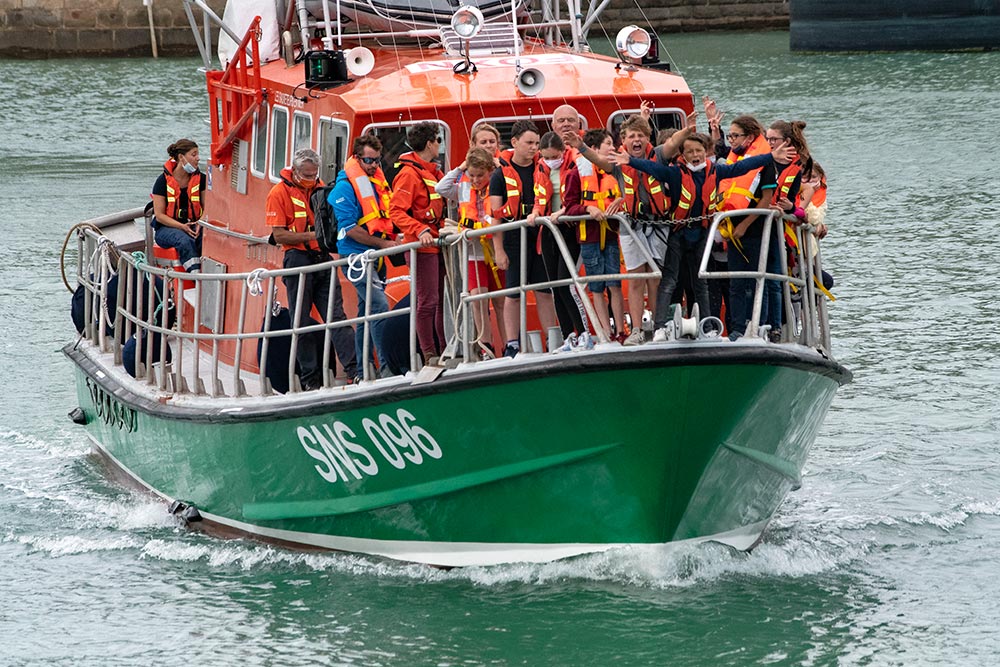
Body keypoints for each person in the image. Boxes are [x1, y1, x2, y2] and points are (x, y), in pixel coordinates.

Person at [615, 131, 795, 337]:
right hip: (678, 235)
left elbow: (742, 167)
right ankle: (660, 327)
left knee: (701, 281)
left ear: (705, 152)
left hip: (701, 235)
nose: (695, 155)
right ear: (682, 155)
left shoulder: (715, 171)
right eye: (690, 151)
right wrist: (630, 160)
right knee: (669, 281)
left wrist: (770, 157)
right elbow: (653, 167)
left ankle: (708, 328)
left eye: (699, 150)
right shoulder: (674, 173)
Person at [565, 113, 677, 345]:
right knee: (635, 279)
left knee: (655, 279)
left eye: (641, 136)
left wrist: (692, 128)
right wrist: (582, 147)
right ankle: (636, 329)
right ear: (623, 141)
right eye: (631, 136)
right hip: (630, 226)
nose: (636, 140)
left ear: (648, 138)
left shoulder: (658, 157)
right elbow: (601, 162)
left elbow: (673, 145)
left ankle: (658, 328)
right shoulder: (616, 164)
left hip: (656, 225)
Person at [266, 148, 357, 390]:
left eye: (314, 174)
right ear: (294, 172)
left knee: (336, 316)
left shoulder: (321, 187)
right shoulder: (278, 193)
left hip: (322, 257)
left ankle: (354, 370)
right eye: (306, 175)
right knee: (301, 320)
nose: (311, 179)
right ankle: (310, 380)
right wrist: (313, 234)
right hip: (297, 259)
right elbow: (279, 234)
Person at [330, 134, 399, 378]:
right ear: (357, 158)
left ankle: (362, 370)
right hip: (357, 259)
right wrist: (384, 243)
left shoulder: (375, 183)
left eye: (377, 161)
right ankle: (387, 367)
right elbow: (350, 229)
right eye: (369, 160)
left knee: (365, 313)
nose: (373, 165)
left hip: (376, 257)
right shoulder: (343, 188)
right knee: (379, 306)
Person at [489, 120, 559, 357]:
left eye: (537, 143)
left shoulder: (543, 168)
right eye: (529, 143)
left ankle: (552, 338)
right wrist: (498, 250)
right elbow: (495, 215)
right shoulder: (499, 175)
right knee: (513, 292)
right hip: (513, 236)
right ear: (515, 142)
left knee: (544, 290)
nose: (533, 148)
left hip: (539, 235)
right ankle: (512, 343)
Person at [436, 147, 505, 356]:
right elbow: (441, 187)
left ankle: (510, 343)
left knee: (501, 300)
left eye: (480, 175)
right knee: (477, 299)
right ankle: (486, 347)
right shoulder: (463, 186)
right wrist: (461, 167)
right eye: (471, 175)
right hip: (473, 252)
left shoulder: (498, 186)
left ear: (490, 172)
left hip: (494, 251)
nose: (475, 180)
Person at [717, 115, 782, 339]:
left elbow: (766, 199)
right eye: (729, 135)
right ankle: (736, 328)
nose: (731, 140)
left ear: (750, 137)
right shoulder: (733, 161)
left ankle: (757, 326)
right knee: (736, 281)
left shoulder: (764, 163)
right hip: (732, 229)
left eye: (735, 135)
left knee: (757, 280)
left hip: (754, 230)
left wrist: (745, 225)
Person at [389, 122, 447, 363]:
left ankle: (445, 348)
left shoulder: (432, 171)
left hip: (439, 241)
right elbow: (396, 211)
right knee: (427, 301)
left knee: (443, 299)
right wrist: (420, 228)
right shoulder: (409, 175)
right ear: (430, 144)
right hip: (422, 246)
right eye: (439, 141)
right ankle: (430, 354)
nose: (439, 147)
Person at [570, 128, 625, 341]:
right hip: (589, 237)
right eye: (608, 144)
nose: (613, 148)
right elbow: (570, 206)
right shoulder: (577, 173)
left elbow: (627, 193)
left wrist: (620, 202)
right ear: (593, 149)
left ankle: (621, 330)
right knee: (596, 287)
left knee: (615, 284)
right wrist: (588, 209)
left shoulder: (614, 172)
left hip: (611, 235)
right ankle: (605, 333)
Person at [534, 131, 586, 343]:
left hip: (570, 227)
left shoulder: (575, 164)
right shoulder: (540, 168)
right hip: (548, 229)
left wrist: (564, 212)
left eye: (554, 157)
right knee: (556, 285)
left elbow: (579, 194)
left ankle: (583, 332)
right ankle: (568, 336)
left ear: (563, 152)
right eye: (546, 157)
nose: (551, 161)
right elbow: (540, 196)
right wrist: (536, 212)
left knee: (567, 282)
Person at [150, 139, 204, 273]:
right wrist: (181, 226)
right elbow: (160, 215)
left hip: (194, 224)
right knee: (184, 241)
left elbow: (207, 206)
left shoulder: (201, 179)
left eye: (197, 154)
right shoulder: (162, 181)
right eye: (193, 154)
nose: (198, 158)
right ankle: (195, 275)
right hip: (167, 229)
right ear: (181, 157)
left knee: (207, 237)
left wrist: (201, 223)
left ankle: (207, 273)